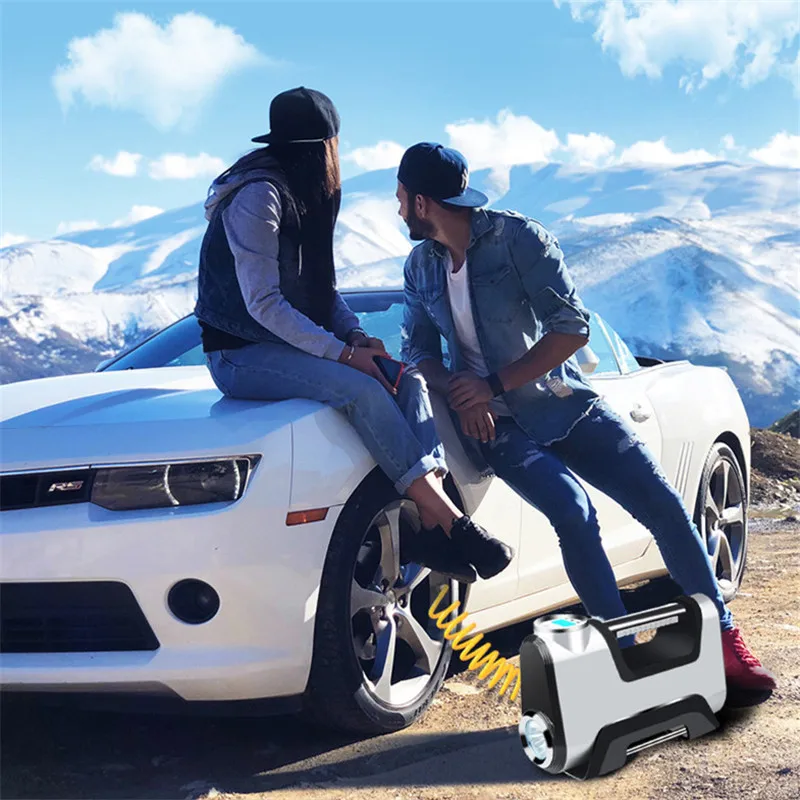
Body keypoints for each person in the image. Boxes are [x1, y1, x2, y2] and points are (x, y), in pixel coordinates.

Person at [396, 141, 776, 694]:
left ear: (422, 202)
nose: (398, 209)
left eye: (401, 198)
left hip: (564, 404)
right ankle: (623, 658)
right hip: (496, 428)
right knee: (573, 513)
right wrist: (463, 395)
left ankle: (723, 641)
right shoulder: (420, 266)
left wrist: (491, 385)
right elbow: (417, 349)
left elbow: (572, 329)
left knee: (665, 505)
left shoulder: (518, 239)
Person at [194, 88, 513, 586]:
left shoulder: (303, 195)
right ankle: (451, 521)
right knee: (362, 389)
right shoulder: (259, 196)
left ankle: (429, 525)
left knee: (408, 381)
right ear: (326, 147)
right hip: (239, 353)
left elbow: (322, 293)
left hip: (291, 347)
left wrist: (357, 336)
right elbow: (263, 304)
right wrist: (343, 355)